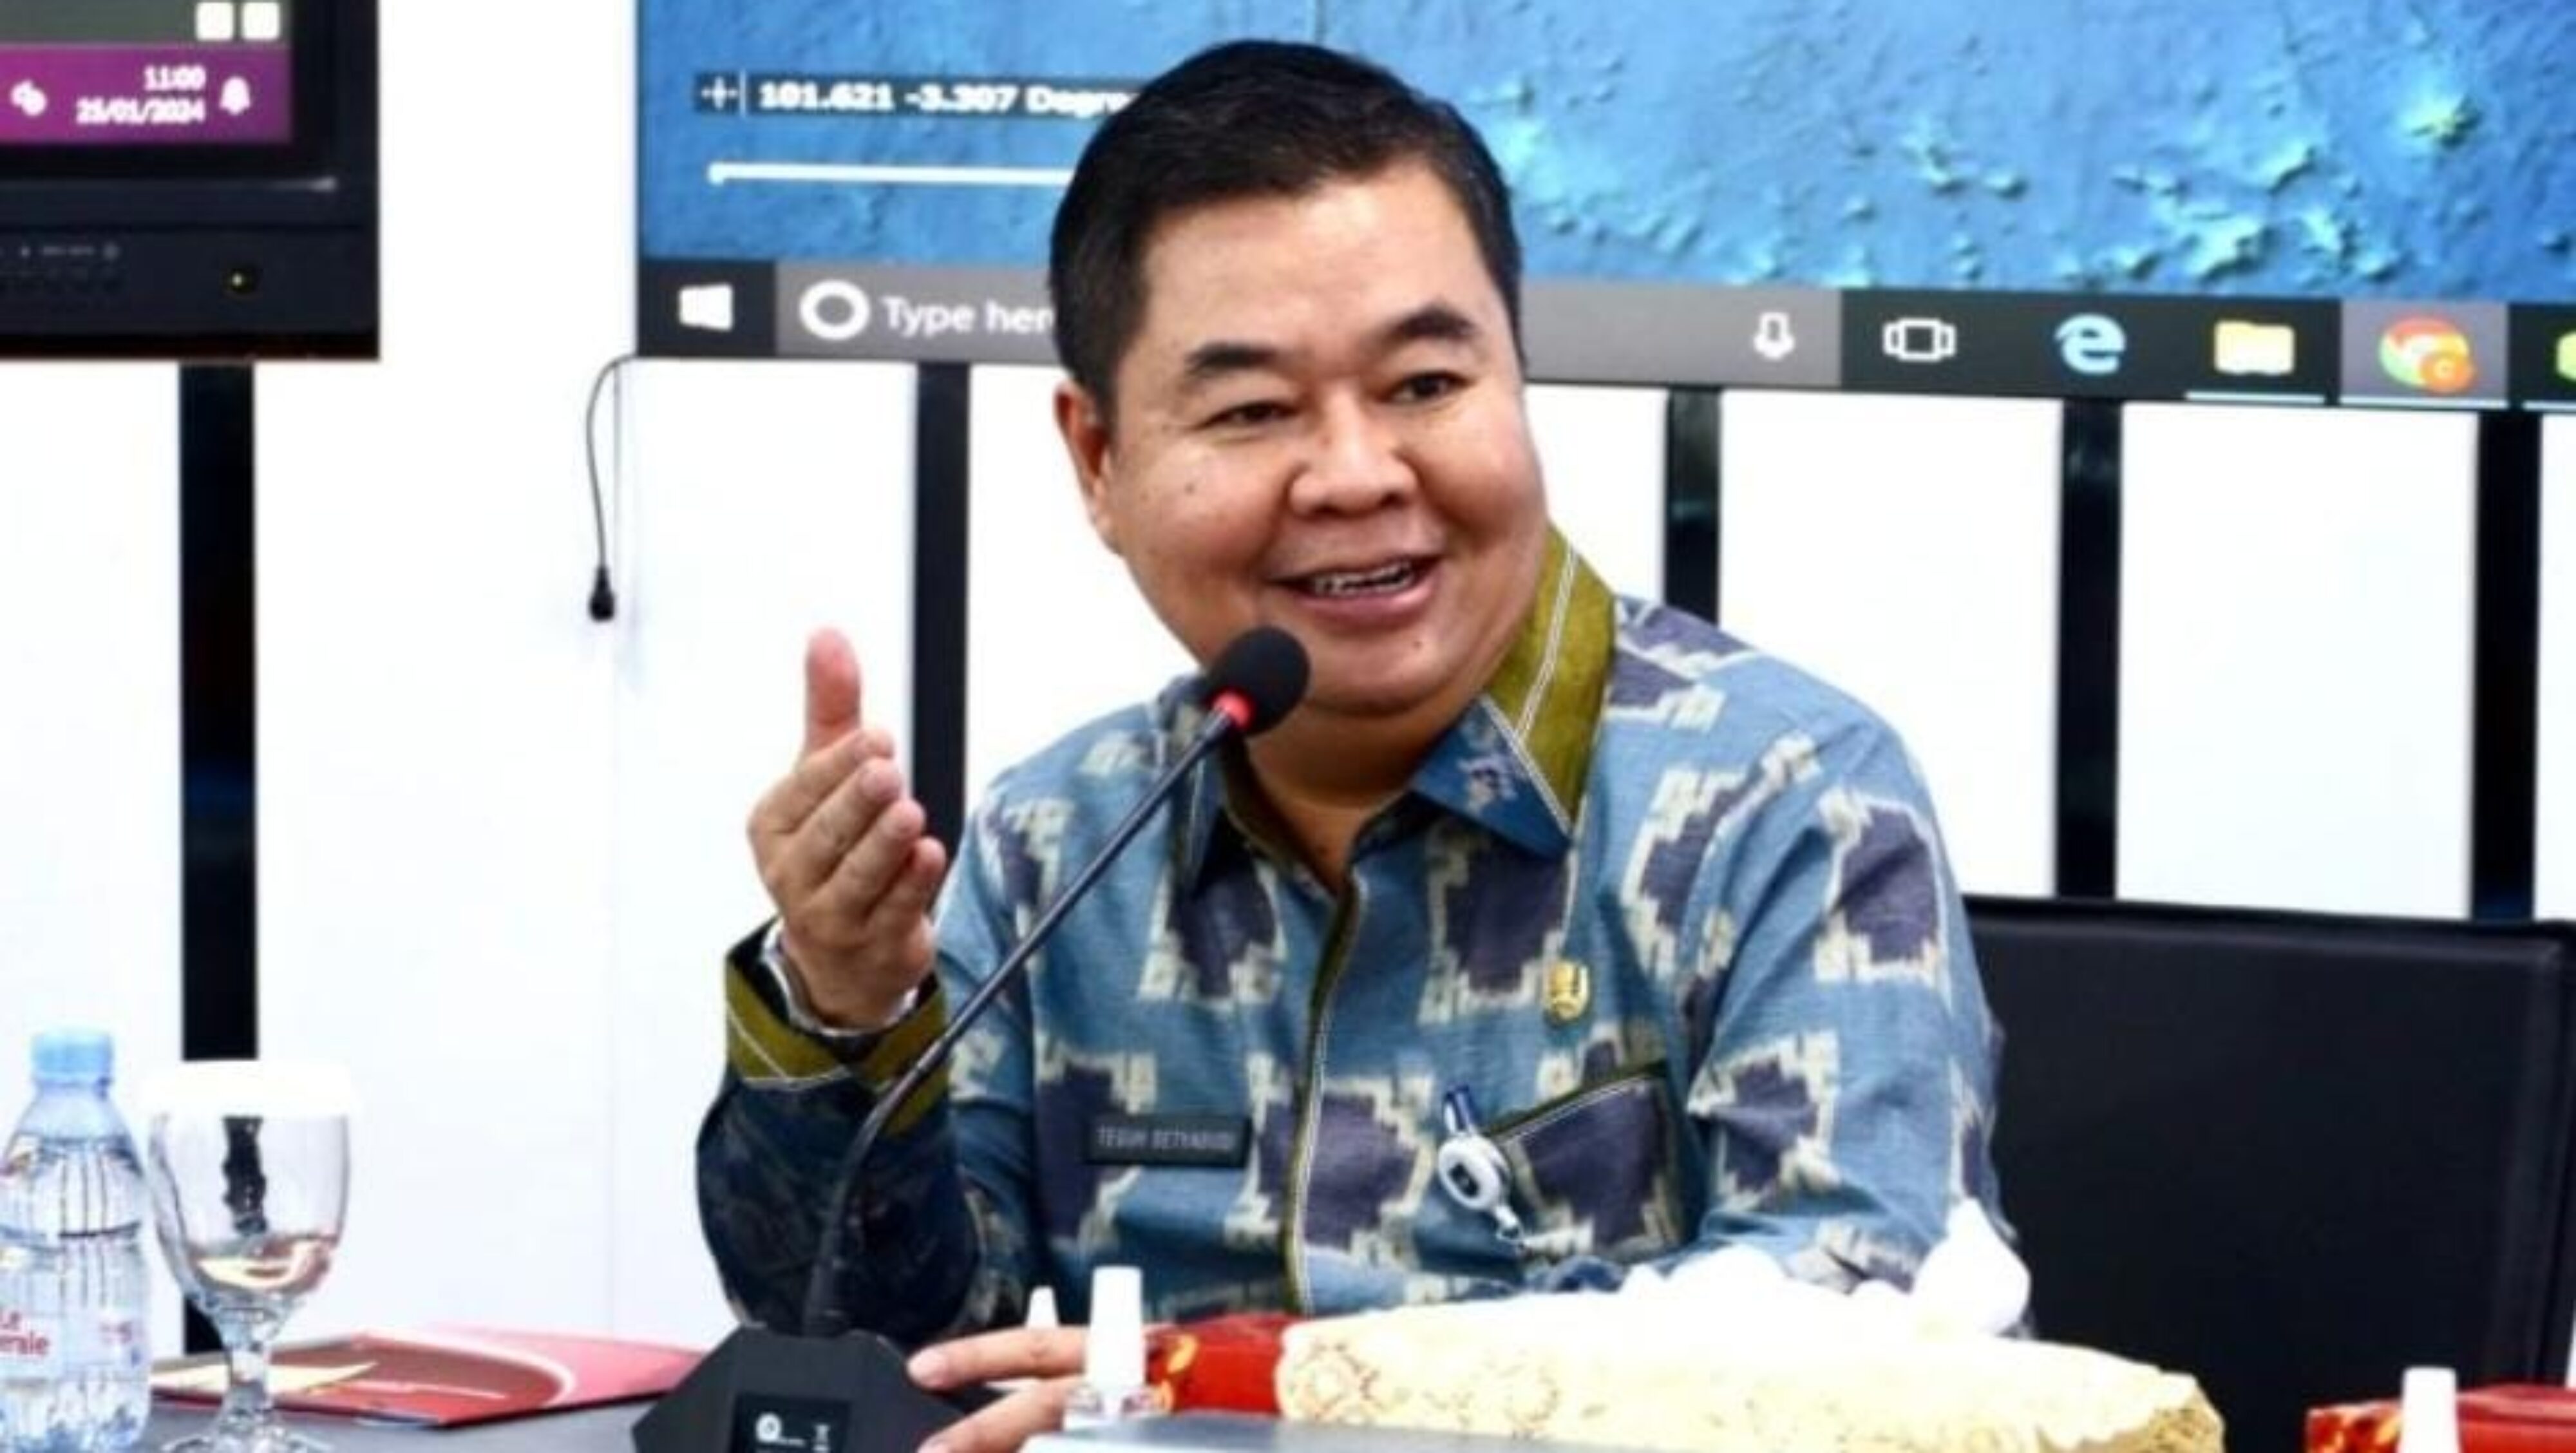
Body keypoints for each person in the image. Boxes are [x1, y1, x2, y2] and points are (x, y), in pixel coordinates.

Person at [699, 38, 2003, 1452]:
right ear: (1099, 460)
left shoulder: (1783, 800)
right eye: (1253, 411)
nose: (1357, 474)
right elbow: (902, 1359)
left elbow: (1862, 1333)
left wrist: (1245, 1378)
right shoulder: (1059, 843)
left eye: (1425, 384)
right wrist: (848, 1015)